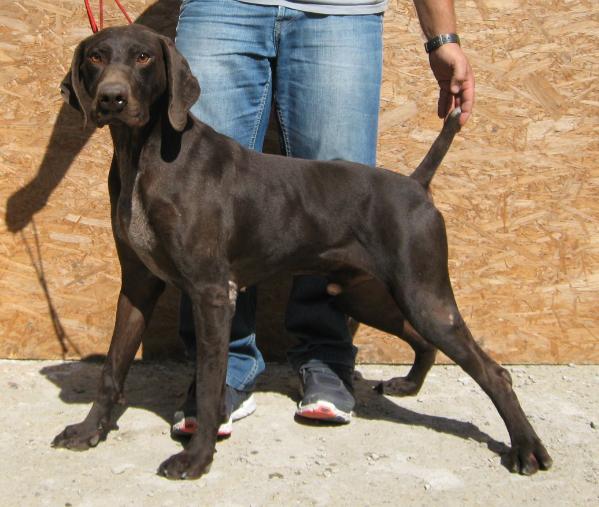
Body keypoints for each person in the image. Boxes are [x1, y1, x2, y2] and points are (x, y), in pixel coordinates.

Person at [171, 0, 475, 437]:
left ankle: (325, 357)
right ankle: (218, 371)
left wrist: (442, 38)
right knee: (202, 213)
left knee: (341, 213)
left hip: (340, 11)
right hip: (220, 8)